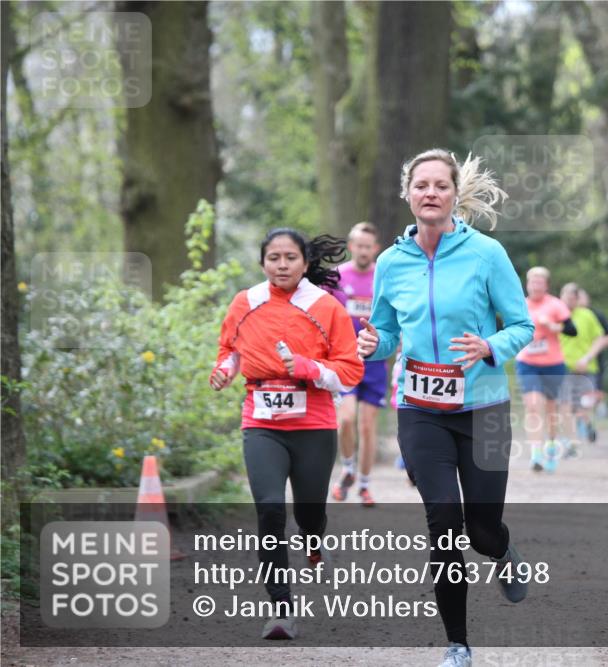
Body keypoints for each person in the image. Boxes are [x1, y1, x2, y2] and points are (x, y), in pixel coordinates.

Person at [356, 149, 534, 667]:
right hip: (419, 407)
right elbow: (388, 332)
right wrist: (376, 345)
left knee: (480, 530)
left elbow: (520, 325)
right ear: (407, 194)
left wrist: (490, 347)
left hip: (485, 408)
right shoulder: (391, 263)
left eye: (440, 185)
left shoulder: (486, 254)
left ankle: (502, 551)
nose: (430, 193)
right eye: (421, 185)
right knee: (443, 520)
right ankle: (457, 644)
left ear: (456, 194)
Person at [209, 228, 364, 640]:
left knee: (309, 514)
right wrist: (225, 370)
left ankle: (314, 539)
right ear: (262, 262)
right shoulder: (245, 302)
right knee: (271, 510)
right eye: (273, 258)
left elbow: (350, 371)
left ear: (305, 262)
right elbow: (230, 350)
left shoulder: (325, 306)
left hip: (313, 424)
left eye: (290, 258)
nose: (282, 265)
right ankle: (281, 609)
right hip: (261, 423)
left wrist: (308, 368)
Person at [325, 222, 389, 507]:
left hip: (375, 361)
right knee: (346, 419)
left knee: (367, 425)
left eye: (368, 246)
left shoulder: (384, 277)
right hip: (344, 358)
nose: (363, 250)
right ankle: (348, 469)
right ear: (351, 246)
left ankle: (364, 485)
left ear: (375, 249)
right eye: (358, 245)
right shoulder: (336, 277)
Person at [515, 266, 575, 473]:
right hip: (527, 362)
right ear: (527, 284)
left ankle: (550, 445)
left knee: (551, 410)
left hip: (553, 364)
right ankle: (535, 454)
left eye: (540, 283)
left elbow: (571, 330)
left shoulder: (555, 305)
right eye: (533, 282)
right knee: (532, 405)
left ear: (546, 285)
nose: (536, 286)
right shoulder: (521, 305)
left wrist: (553, 326)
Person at [558, 283, 608, 450]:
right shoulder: (555, 315)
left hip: (586, 369)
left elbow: (600, 339)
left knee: (582, 408)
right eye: (565, 298)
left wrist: (587, 358)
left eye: (572, 299)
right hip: (562, 368)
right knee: (566, 406)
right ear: (561, 297)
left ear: (577, 300)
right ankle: (571, 441)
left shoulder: (587, 315)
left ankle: (587, 425)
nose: (568, 302)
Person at [577, 288, 608, 420]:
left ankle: (587, 420)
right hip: (571, 363)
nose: (579, 300)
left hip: (594, 363)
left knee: (588, 397)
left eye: (582, 296)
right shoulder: (564, 315)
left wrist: (594, 349)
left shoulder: (596, 316)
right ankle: (582, 423)